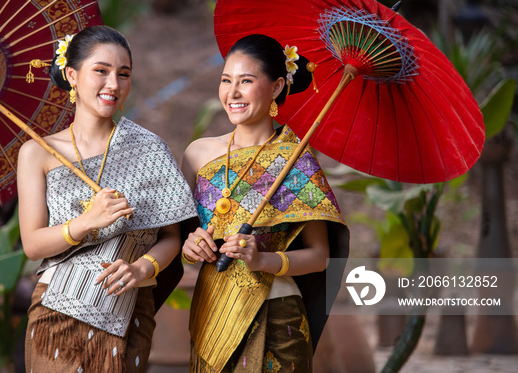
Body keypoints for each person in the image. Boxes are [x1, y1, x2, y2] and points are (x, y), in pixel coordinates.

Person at [18, 25, 197, 372]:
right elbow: (32, 244)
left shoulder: (148, 148)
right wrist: (87, 221)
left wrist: (141, 267)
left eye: (123, 74)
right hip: (58, 314)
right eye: (101, 71)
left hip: (128, 311)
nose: (113, 84)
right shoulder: (38, 153)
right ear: (72, 74)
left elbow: (172, 237)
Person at [181, 34, 349, 373]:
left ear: (275, 88)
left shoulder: (295, 159)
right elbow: (183, 240)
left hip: (277, 315)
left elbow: (319, 257)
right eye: (226, 80)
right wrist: (191, 246)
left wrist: (263, 259)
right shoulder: (197, 154)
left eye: (246, 81)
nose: (233, 93)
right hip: (213, 312)